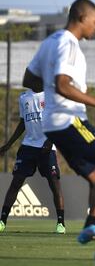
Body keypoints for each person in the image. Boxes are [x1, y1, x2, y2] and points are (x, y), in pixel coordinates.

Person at [22, 0, 95, 261]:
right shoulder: (69, 44)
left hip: (52, 124)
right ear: (82, 18)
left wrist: (52, 86)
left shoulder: (50, 41)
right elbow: (62, 84)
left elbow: (29, 79)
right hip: (68, 119)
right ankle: (90, 224)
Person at [0, 89, 65, 234]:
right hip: (28, 146)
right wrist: (9, 144)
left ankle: (61, 223)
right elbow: (23, 123)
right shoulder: (24, 97)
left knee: (54, 184)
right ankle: (2, 221)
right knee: (16, 183)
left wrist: (50, 141)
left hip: (47, 148)